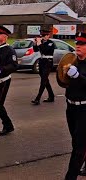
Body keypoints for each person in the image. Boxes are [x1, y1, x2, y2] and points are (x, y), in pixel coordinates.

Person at [64, 32, 86, 180]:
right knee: (76, 141)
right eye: (77, 43)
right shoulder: (73, 60)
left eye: (82, 44)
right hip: (71, 107)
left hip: (85, 108)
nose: (77, 45)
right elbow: (63, 81)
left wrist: (78, 76)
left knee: (79, 146)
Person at [31, 29, 55, 105]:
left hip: (48, 62)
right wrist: (35, 44)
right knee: (45, 81)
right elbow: (35, 50)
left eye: (45, 36)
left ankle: (37, 98)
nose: (43, 37)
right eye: (42, 36)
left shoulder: (50, 43)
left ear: (48, 36)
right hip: (42, 62)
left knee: (43, 81)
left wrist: (39, 44)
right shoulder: (42, 43)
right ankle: (51, 96)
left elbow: (45, 50)